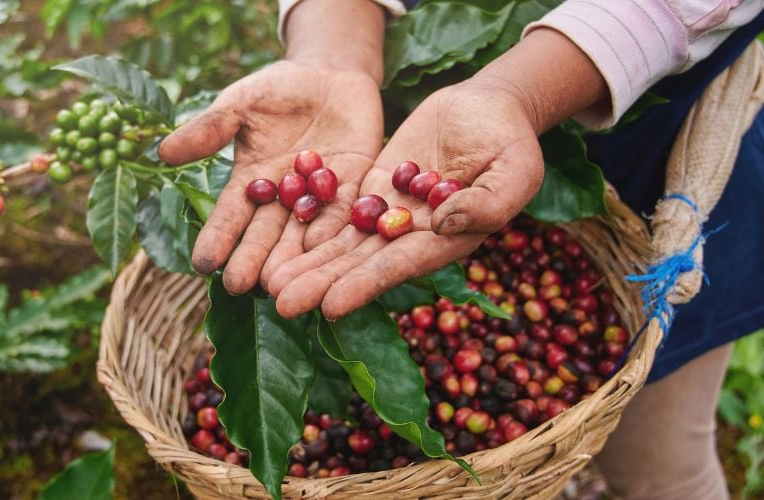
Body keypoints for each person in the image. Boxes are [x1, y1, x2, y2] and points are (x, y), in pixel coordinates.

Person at [158, 1, 764, 498]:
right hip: (418, 131)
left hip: (657, 144)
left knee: (666, 463)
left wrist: (518, 93)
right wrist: (334, 52)